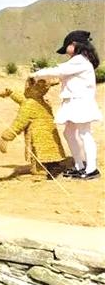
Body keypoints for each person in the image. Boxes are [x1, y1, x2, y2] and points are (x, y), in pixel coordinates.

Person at [31, 30, 102, 179]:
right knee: (69, 133)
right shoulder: (77, 61)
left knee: (84, 133)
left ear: (74, 44)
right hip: (73, 102)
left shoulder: (80, 60)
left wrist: (36, 74)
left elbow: (60, 71)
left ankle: (91, 169)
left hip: (80, 101)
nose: (65, 52)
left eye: (67, 47)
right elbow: (62, 74)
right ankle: (79, 165)